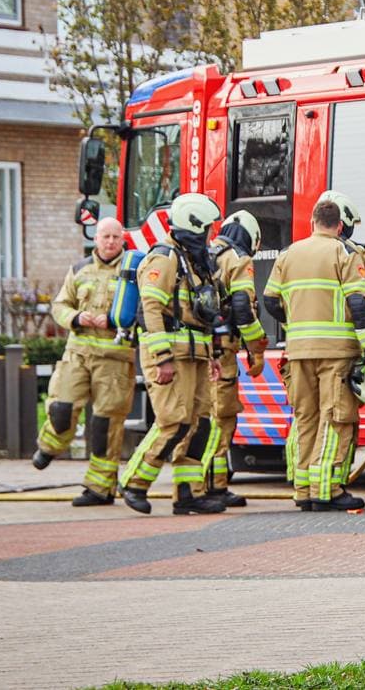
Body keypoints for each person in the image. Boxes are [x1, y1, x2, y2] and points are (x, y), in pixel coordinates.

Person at [263, 194, 365, 511]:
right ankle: (327, 489)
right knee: (336, 418)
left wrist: (298, 322)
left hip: (299, 351)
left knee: (306, 417)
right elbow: (359, 304)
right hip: (335, 352)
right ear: (340, 225)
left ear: (313, 222)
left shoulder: (289, 254)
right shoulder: (344, 252)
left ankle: (304, 490)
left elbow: (270, 301)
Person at [118, 193, 227, 516]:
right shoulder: (164, 258)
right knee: (173, 421)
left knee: (199, 423)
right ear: (193, 226)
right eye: (206, 228)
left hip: (197, 354)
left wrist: (216, 355)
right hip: (170, 356)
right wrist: (162, 357)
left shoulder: (193, 261)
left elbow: (207, 313)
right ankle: (135, 482)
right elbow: (150, 309)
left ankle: (188, 494)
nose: (209, 234)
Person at [32, 217, 136, 507]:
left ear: (122, 239)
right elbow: (60, 305)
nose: (111, 242)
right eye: (106, 236)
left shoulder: (134, 271)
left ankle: (99, 489)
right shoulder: (78, 270)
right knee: (61, 408)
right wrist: (76, 318)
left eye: (116, 237)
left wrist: (115, 321)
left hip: (115, 361)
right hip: (77, 355)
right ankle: (49, 446)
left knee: (106, 426)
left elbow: (145, 311)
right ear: (97, 238)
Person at [202, 211, 269, 509]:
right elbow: (242, 307)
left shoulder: (205, 252)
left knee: (203, 416)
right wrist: (257, 346)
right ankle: (212, 487)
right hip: (222, 352)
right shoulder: (239, 260)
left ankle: (206, 484)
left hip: (198, 351)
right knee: (223, 416)